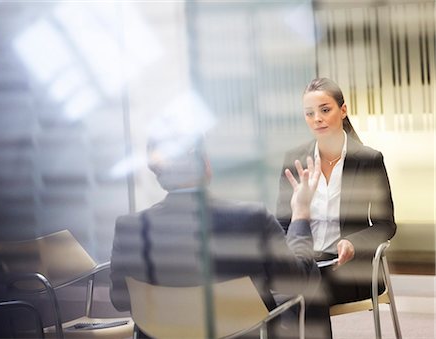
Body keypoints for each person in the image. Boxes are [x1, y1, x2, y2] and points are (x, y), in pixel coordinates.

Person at [110, 131, 322, 338]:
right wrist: (301, 212)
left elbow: (120, 300)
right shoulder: (252, 218)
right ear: (205, 164)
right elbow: (297, 280)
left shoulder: (129, 228)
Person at [276, 77, 397, 338]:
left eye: (325, 109)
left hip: (348, 270)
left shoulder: (368, 160)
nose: (317, 118)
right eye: (309, 113)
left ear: (343, 110)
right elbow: (283, 223)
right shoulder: (295, 159)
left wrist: (353, 243)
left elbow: (385, 224)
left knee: (302, 290)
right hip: (304, 264)